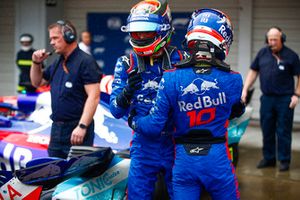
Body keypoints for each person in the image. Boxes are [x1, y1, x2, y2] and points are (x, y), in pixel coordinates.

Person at [128, 8, 244, 200]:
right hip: (217, 159)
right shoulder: (234, 80)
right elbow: (233, 111)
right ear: (223, 39)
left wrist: (134, 120)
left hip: (184, 161)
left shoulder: (171, 78)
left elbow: (154, 125)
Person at [109, 0, 186, 199]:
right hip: (143, 145)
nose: (141, 37)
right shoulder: (126, 63)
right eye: (136, 32)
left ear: (163, 30)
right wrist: (126, 93)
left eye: (147, 31)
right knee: (137, 196)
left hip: (177, 143)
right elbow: (115, 110)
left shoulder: (184, 60)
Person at [30, 20, 102, 159]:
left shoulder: (85, 61)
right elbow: (37, 82)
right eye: (51, 38)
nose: (51, 42)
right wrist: (36, 63)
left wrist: (82, 127)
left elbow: (94, 96)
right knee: (54, 175)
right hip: (57, 129)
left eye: (55, 38)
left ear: (69, 36)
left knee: (77, 178)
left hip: (77, 129)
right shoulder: (58, 61)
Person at [242, 27, 300, 171]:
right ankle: (269, 158)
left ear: (282, 39)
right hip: (267, 98)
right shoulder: (262, 53)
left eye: (275, 39)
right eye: (270, 39)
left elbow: (299, 76)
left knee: (283, 131)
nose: (272, 42)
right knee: (267, 129)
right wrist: (245, 89)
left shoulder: (291, 56)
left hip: (285, 99)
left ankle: (284, 160)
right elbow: (253, 71)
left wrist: (296, 95)